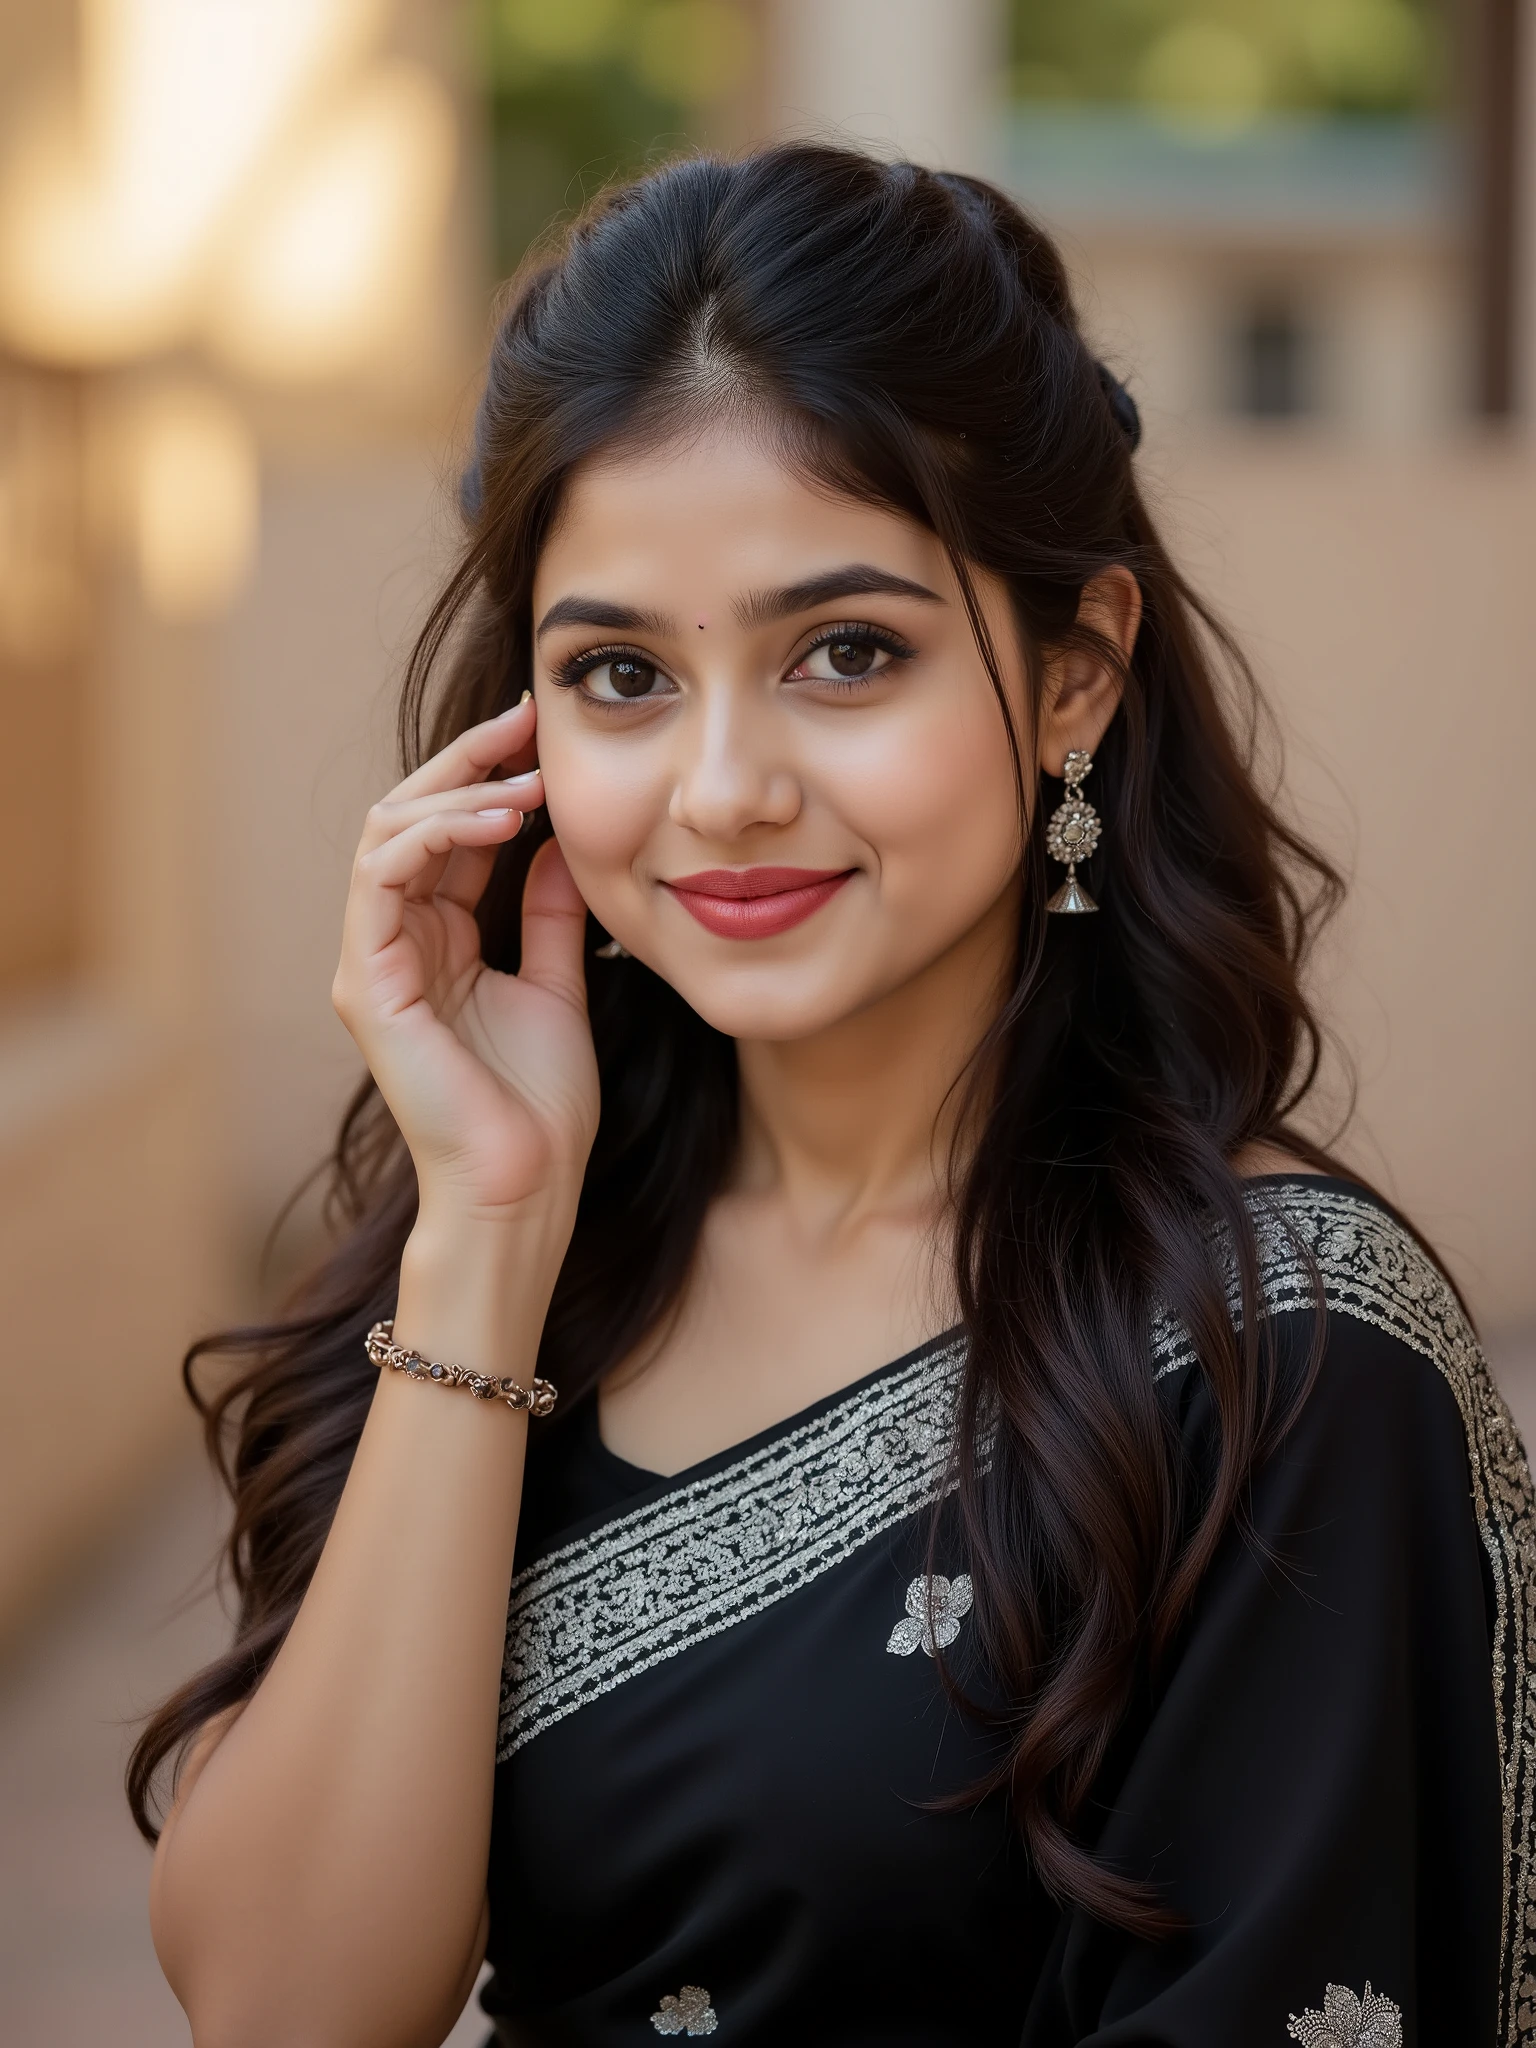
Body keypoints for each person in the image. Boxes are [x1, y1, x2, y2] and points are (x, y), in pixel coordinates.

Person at [128, 146, 1534, 2048]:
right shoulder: (550, 1259)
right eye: (620, 674)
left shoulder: (1283, 1357)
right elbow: (287, 2012)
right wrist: (488, 1233)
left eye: (845, 653)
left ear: (1074, 679)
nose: (721, 789)